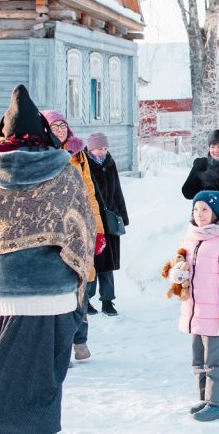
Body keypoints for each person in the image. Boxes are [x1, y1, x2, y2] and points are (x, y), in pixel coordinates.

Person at [0, 85, 94, 433]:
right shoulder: (65, 172)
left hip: (0, 290)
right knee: (42, 387)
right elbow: (82, 230)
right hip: (51, 293)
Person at [170, 190, 219, 422]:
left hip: (217, 312)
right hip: (195, 311)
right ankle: (206, 398)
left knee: (216, 360)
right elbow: (180, 264)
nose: (199, 214)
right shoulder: (191, 238)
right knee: (199, 359)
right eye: (196, 209)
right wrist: (176, 274)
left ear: (216, 213)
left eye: (205, 210)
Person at [42, 110, 105, 360]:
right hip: (53, 230)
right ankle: (62, 347)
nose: (59, 130)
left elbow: (89, 192)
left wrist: (98, 230)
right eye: (54, 126)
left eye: (62, 125)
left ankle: (80, 340)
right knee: (59, 288)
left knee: (80, 285)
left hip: (79, 227)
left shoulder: (78, 153)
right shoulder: (42, 153)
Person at [86, 131, 129, 317]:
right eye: (98, 148)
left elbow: (117, 191)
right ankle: (86, 300)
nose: (102, 152)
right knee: (91, 264)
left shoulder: (110, 164)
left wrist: (122, 216)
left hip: (110, 221)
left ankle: (107, 301)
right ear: (90, 148)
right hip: (92, 222)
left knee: (108, 264)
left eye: (104, 148)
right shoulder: (84, 165)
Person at [181, 129, 219, 199]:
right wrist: (196, 170)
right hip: (204, 208)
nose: (216, 150)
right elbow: (187, 193)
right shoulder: (202, 164)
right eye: (212, 147)